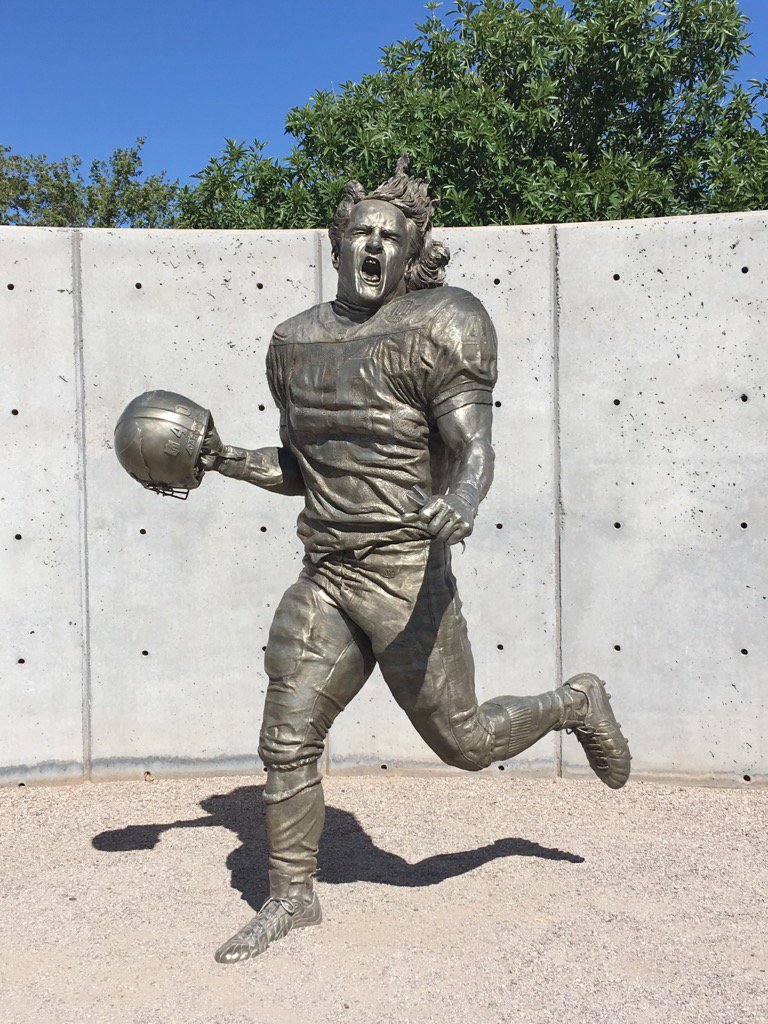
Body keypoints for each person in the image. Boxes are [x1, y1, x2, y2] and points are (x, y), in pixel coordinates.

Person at [201, 158, 631, 964]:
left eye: (389, 238)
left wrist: (462, 502)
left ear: (410, 252)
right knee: (286, 738)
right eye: (360, 233)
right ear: (336, 244)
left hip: (406, 571)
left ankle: (574, 702)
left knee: (464, 743)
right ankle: (292, 897)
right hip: (326, 573)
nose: (373, 247)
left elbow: (473, 447)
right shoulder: (292, 343)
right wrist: (223, 458)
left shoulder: (448, 323)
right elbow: (304, 469)